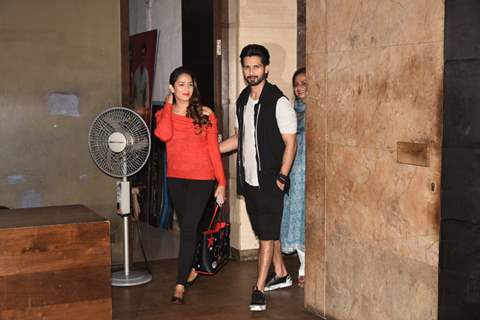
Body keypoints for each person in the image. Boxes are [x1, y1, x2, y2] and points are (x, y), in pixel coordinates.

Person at [220, 44, 297, 311]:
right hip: (249, 181)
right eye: (247, 67)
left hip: (271, 181)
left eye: (256, 67)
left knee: (265, 237)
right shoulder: (242, 100)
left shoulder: (279, 102)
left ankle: (259, 289)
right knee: (267, 230)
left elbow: (291, 143)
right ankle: (282, 273)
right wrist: (212, 150)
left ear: (266, 68)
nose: (251, 72)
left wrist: (281, 178)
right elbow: (239, 138)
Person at [154, 66, 226, 305]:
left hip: (202, 179)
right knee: (190, 227)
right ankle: (193, 266)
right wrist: (167, 105)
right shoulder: (163, 114)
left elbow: (213, 151)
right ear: (172, 88)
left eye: (190, 85)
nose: (186, 89)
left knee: (187, 229)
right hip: (176, 179)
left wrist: (222, 182)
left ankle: (179, 284)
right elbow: (163, 135)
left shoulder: (205, 113)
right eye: (181, 85)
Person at [280, 67, 306, 287]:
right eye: (297, 84)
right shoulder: (291, 111)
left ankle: (307, 266)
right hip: (293, 171)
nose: (299, 88)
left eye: (304, 84)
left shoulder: (321, 110)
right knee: (294, 215)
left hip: (311, 171)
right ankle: (302, 266)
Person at [131, 42, 150, 119]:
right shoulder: (137, 70)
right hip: (135, 103)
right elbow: (133, 87)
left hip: (143, 103)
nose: (142, 57)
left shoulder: (147, 71)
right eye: (141, 54)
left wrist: (146, 105)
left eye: (144, 54)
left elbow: (147, 88)